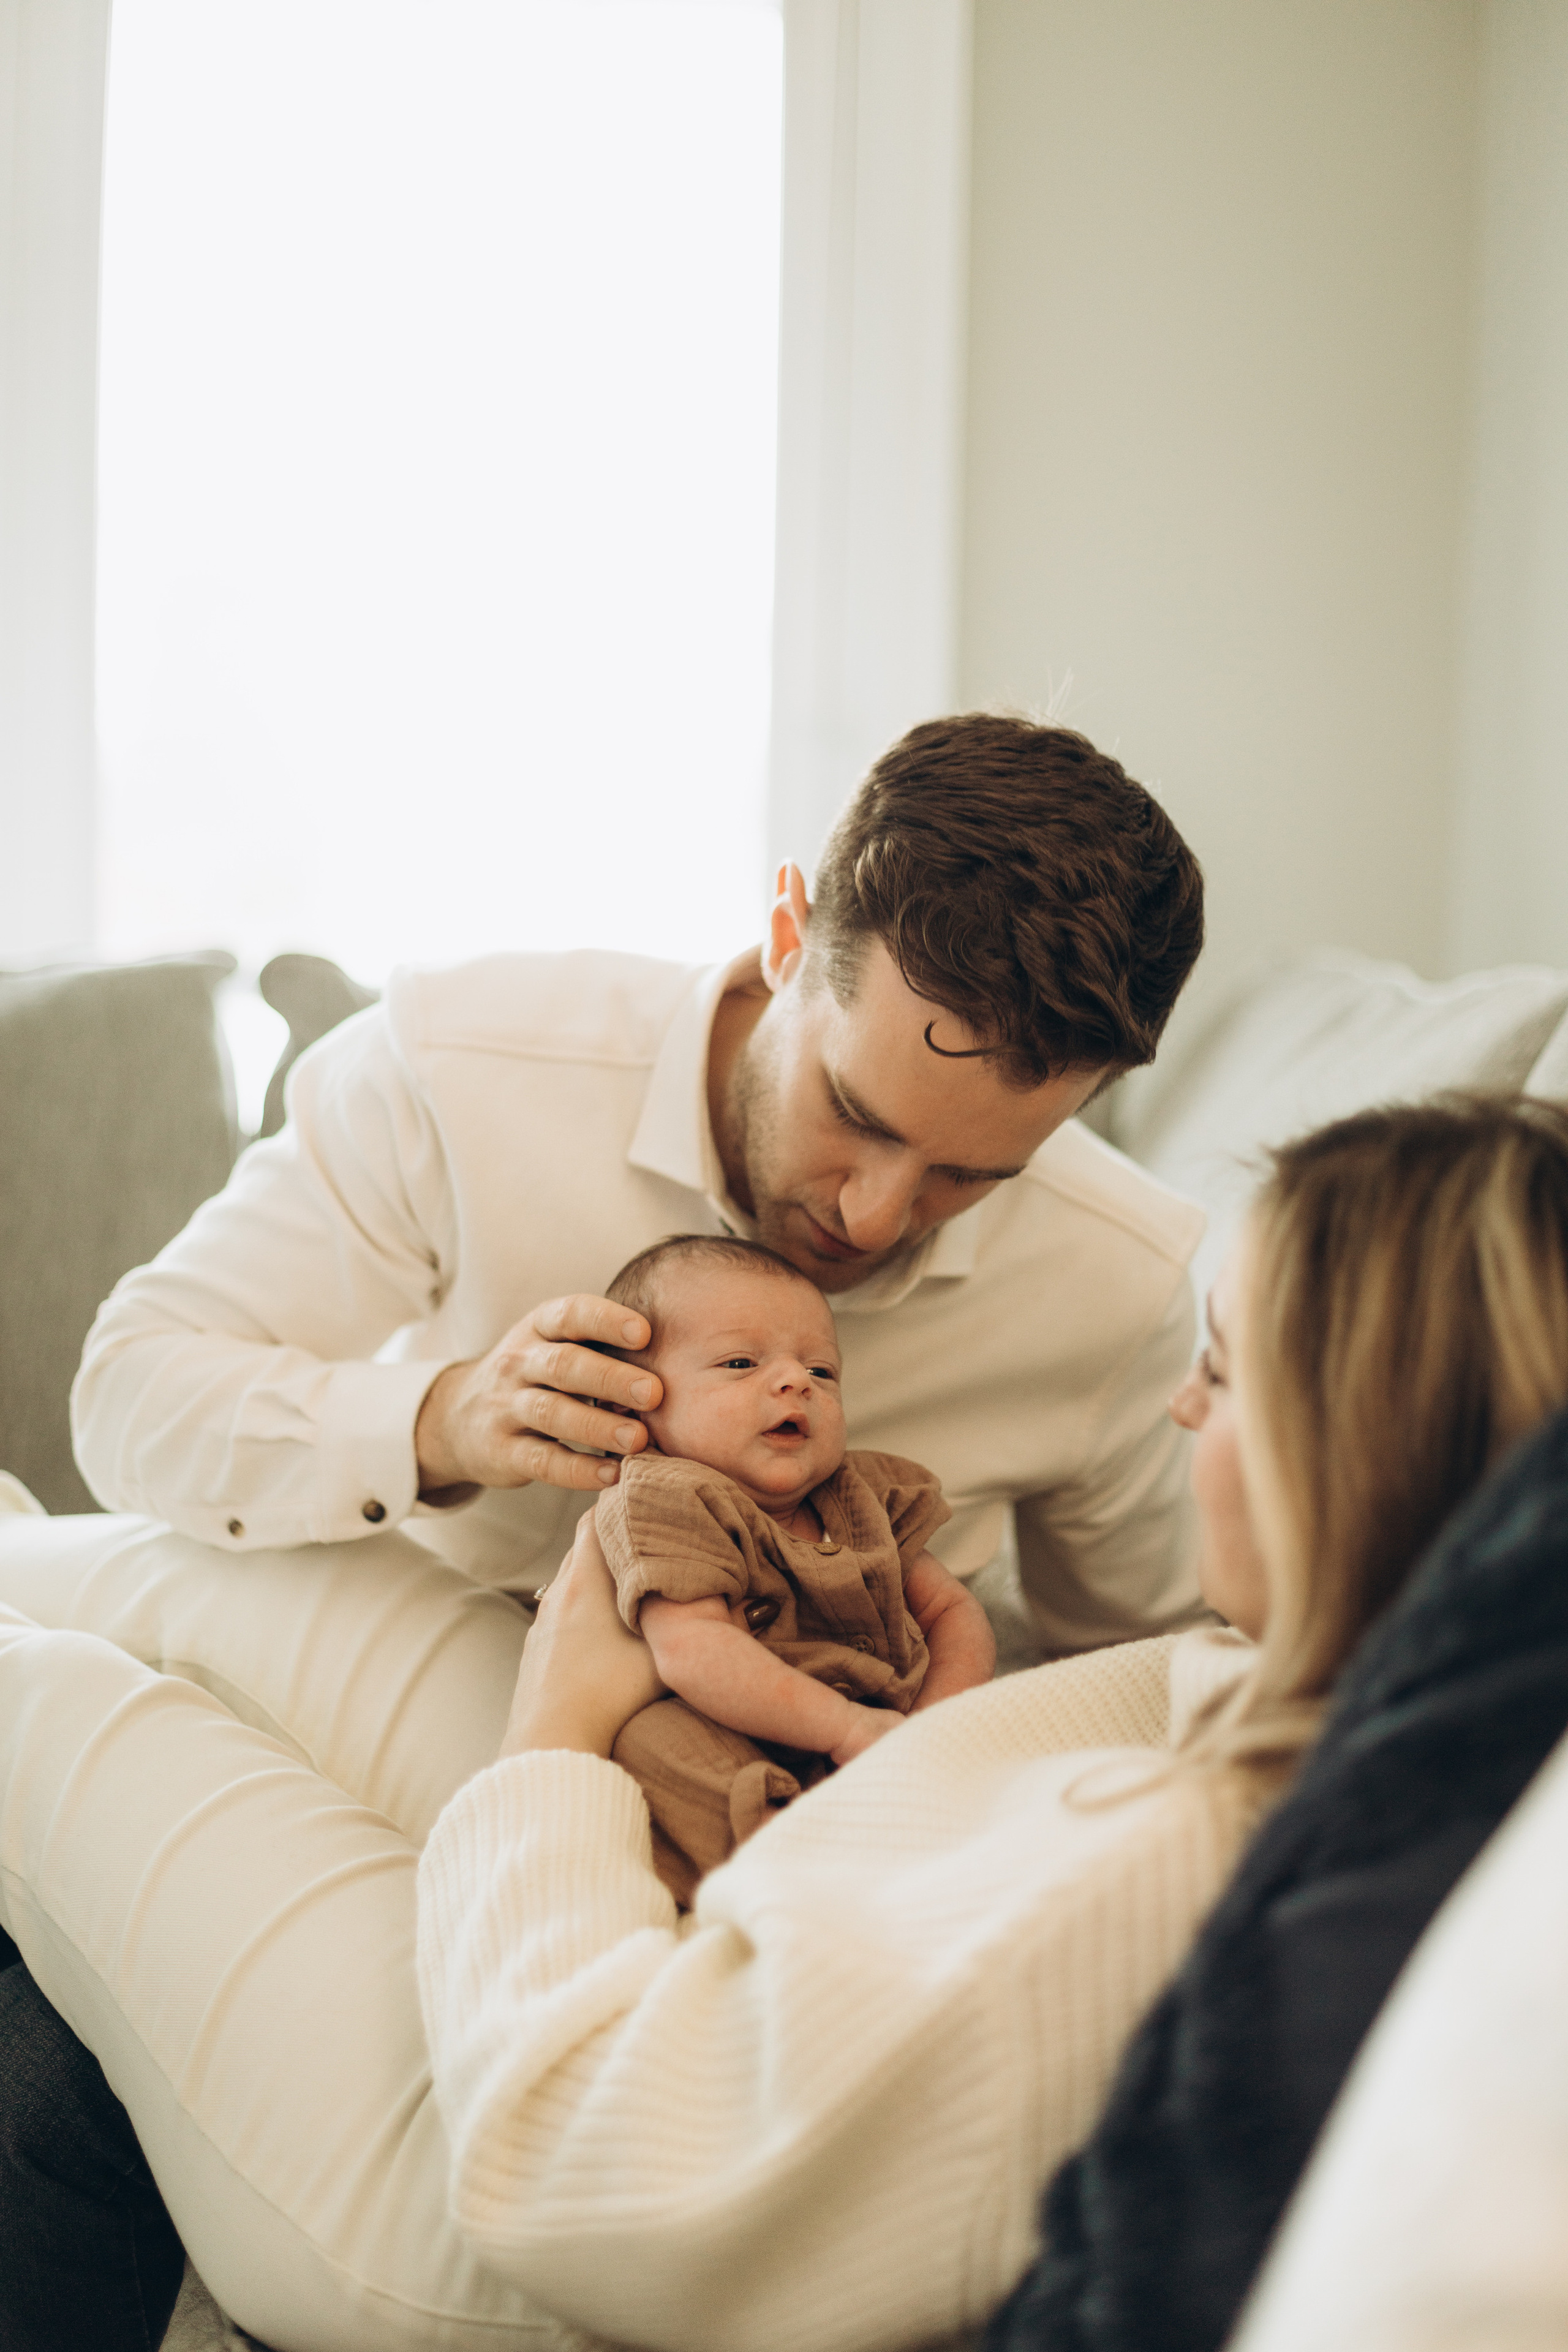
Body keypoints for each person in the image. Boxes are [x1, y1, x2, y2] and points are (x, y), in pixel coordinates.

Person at [6, 1098, 1568, 2352]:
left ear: (1344, 1447)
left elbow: (583, 2168)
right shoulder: (1281, 1694)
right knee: (261, 1590)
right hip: (691, 1877)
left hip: (501, 2149)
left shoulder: (1151, 1879)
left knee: (62, 1704)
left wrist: (555, 1734)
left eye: (1217, 1378)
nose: (1177, 1412)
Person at [590, 1232, 995, 1901]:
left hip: (898, 1730)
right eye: (741, 1362)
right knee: (650, 1742)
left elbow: (952, 1611)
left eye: (822, 1371)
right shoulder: (668, 1496)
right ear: (637, 1408)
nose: (794, 1381)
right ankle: (783, 1869)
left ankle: (914, 1827)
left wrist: (933, 1731)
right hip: (747, 1740)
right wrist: (844, 1728)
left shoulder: (866, 1495)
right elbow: (692, 1649)